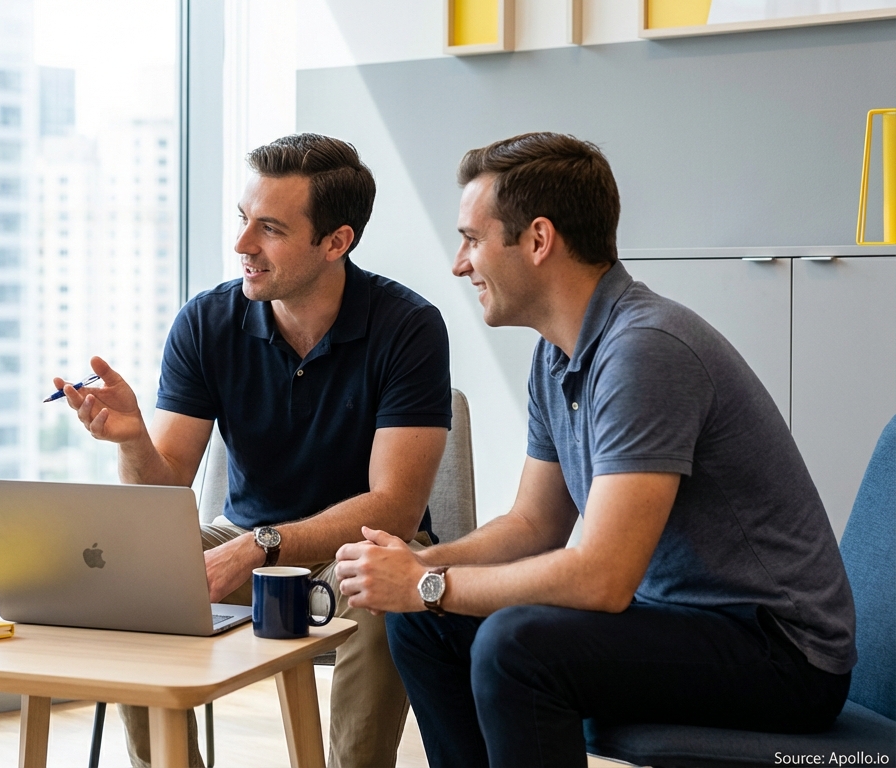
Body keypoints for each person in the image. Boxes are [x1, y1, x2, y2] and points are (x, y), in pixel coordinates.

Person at [335, 132, 856, 767]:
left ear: (537, 240)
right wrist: (421, 572)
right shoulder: (555, 357)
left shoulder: (645, 351)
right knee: (422, 621)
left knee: (512, 644)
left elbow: (601, 579)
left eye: (472, 238)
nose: (458, 263)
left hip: (780, 653)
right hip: (676, 619)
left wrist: (431, 581)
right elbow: (533, 525)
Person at [56, 133, 452, 768]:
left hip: (360, 551)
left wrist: (261, 544)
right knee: (134, 579)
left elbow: (396, 512)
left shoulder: (408, 327)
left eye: (269, 229)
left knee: (382, 592)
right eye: (244, 221)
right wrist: (132, 442)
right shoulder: (206, 322)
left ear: (336, 242)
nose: (242, 245)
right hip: (240, 541)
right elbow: (162, 499)